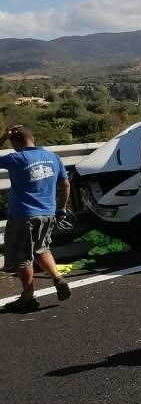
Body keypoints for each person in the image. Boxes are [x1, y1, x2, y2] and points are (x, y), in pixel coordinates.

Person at [0, 125, 72, 312]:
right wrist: (61, 208)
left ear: (15, 142)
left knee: (22, 258)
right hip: (48, 213)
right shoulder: (53, 157)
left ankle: (28, 298)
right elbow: (65, 184)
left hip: (23, 216)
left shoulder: (16, 158)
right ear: (32, 138)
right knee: (42, 249)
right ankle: (58, 278)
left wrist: (3, 137)